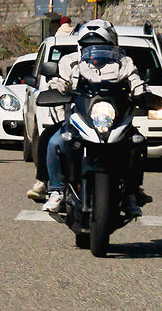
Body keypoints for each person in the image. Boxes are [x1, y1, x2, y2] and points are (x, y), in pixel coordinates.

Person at [29, 21, 152, 215]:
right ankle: (56, 190)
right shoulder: (70, 61)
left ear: (112, 44)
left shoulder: (124, 62)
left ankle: (131, 192)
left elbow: (135, 81)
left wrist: (143, 94)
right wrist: (57, 88)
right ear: (80, 45)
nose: (94, 49)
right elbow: (60, 81)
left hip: (114, 118)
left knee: (137, 143)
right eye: (88, 45)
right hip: (80, 117)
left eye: (101, 45)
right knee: (54, 142)